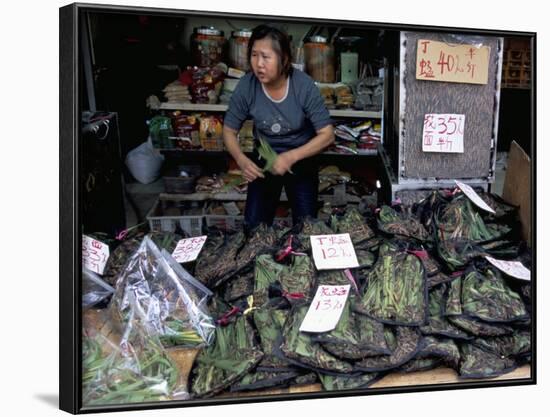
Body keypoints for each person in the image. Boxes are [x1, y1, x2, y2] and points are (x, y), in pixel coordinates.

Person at [223, 24, 335, 230]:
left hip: (301, 157)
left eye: (266, 57)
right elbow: (229, 130)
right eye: (254, 55)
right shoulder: (247, 85)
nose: (258, 64)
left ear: (283, 59)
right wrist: (241, 159)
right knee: (255, 226)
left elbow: (327, 135)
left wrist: (290, 157)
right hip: (265, 157)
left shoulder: (303, 85)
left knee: (305, 227)